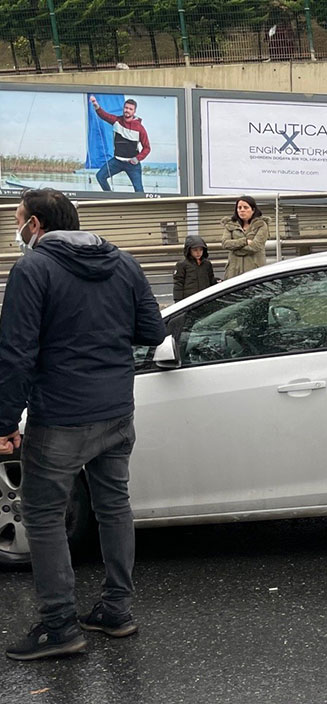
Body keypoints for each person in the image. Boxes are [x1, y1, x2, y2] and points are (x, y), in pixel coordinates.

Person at [1, 188, 165, 661]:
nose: (17, 229)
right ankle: (117, 609)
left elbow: (15, 353)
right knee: (115, 506)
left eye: (18, 220)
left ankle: (59, 626)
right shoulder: (125, 262)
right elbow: (152, 331)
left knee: (45, 516)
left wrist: (4, 421)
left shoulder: (32, 269)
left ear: (35, 225)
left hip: (61, 416)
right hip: (116, 409)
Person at [88, 96, 150, 193]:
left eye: (130, 109)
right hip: (117, 161)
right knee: (100, 176)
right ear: (123, 108)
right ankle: (110, 197)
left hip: (132, 164)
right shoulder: (116, 121)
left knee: (139, 191)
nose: (127, 110)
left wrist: (137, 158)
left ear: (134, 111)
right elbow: (103, 115)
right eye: (126, 108)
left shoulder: (140, 128)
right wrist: (95, 105)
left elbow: (147, 148)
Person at [220, 196, 270, 279]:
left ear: (253, 210)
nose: (242, 210)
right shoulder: (230, 224)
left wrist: (235, 248)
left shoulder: (261, 224)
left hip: (255, 271)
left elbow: (255, 246)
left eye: (246, 207)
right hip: (233, 272)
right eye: (239, 208)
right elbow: (225, 244)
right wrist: (245, 241)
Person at [172, 235, 215, 303]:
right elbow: (178, 284)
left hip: (205, 298)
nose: (198, 253)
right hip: (189, 300)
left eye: (201, 250)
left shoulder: (207, 264)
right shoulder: (182, 265)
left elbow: (211, 280)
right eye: (195, 250)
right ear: (189, 250)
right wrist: (178, 301)